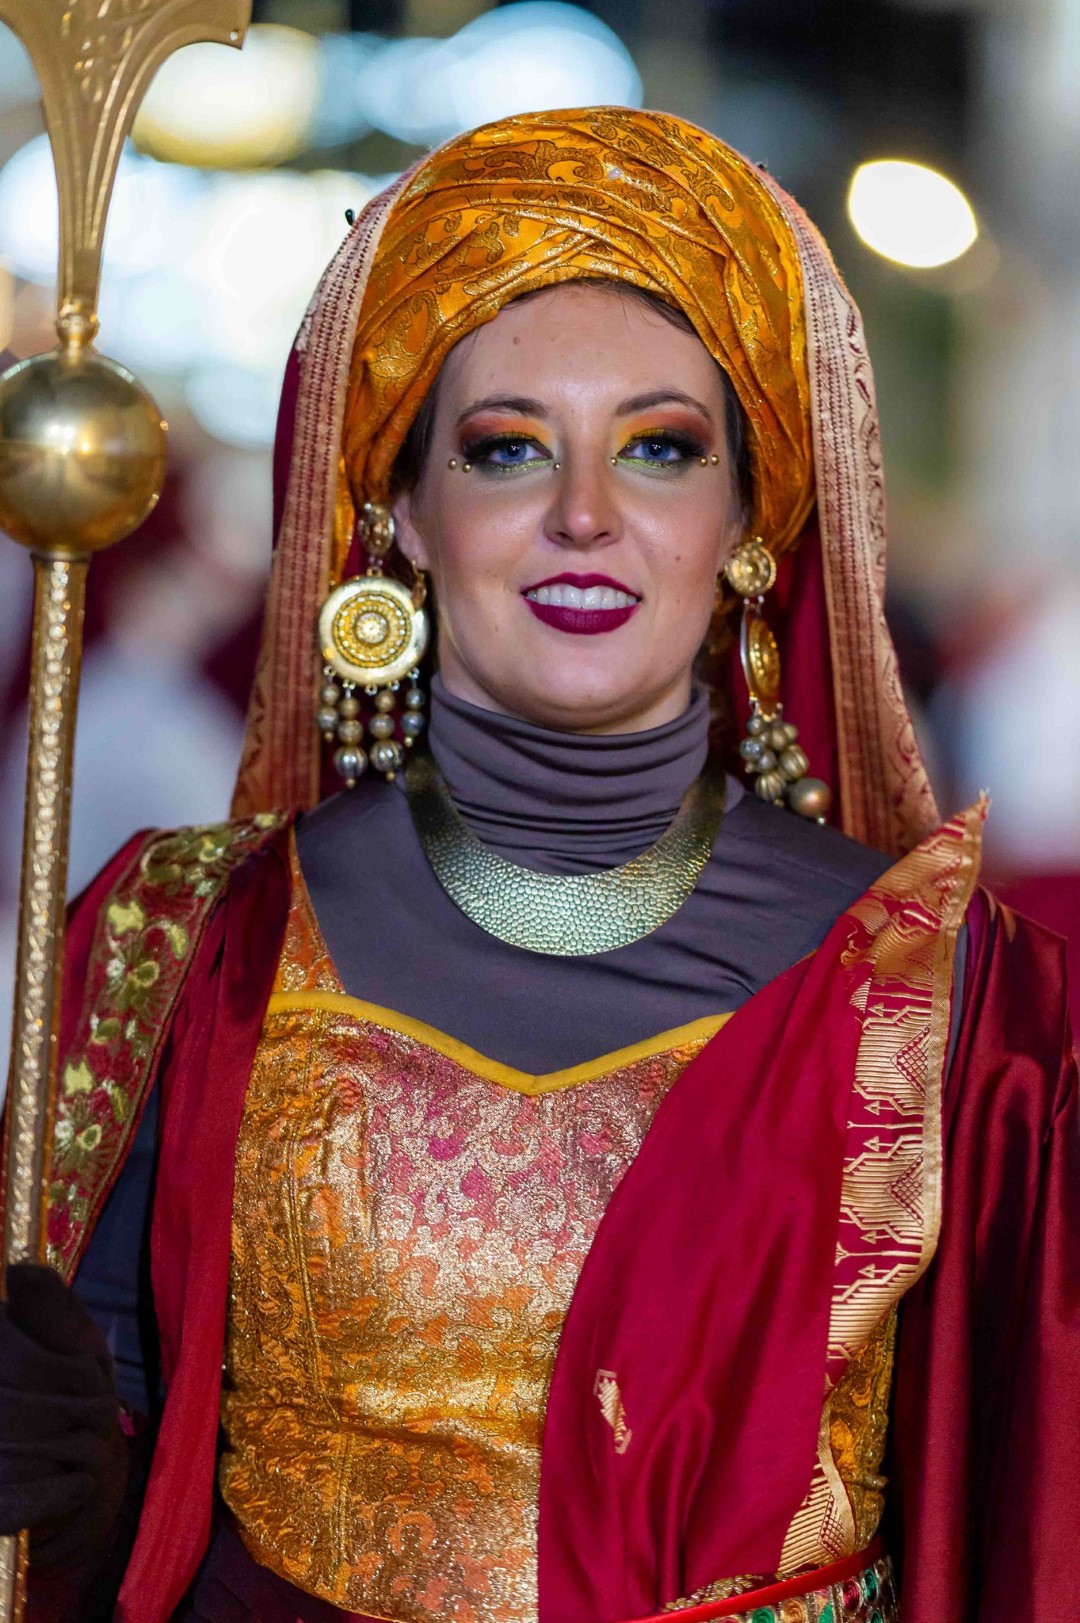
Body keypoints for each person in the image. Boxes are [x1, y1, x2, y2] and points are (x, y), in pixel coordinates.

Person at [1, 108, 1075, 1623]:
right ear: (403, 516)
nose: (584, 514)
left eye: (660, 449)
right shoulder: (185, 940)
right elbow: (99, 1497)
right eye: (508, 450)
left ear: (746, 522)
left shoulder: (966, 1004)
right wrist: (67, 1501)